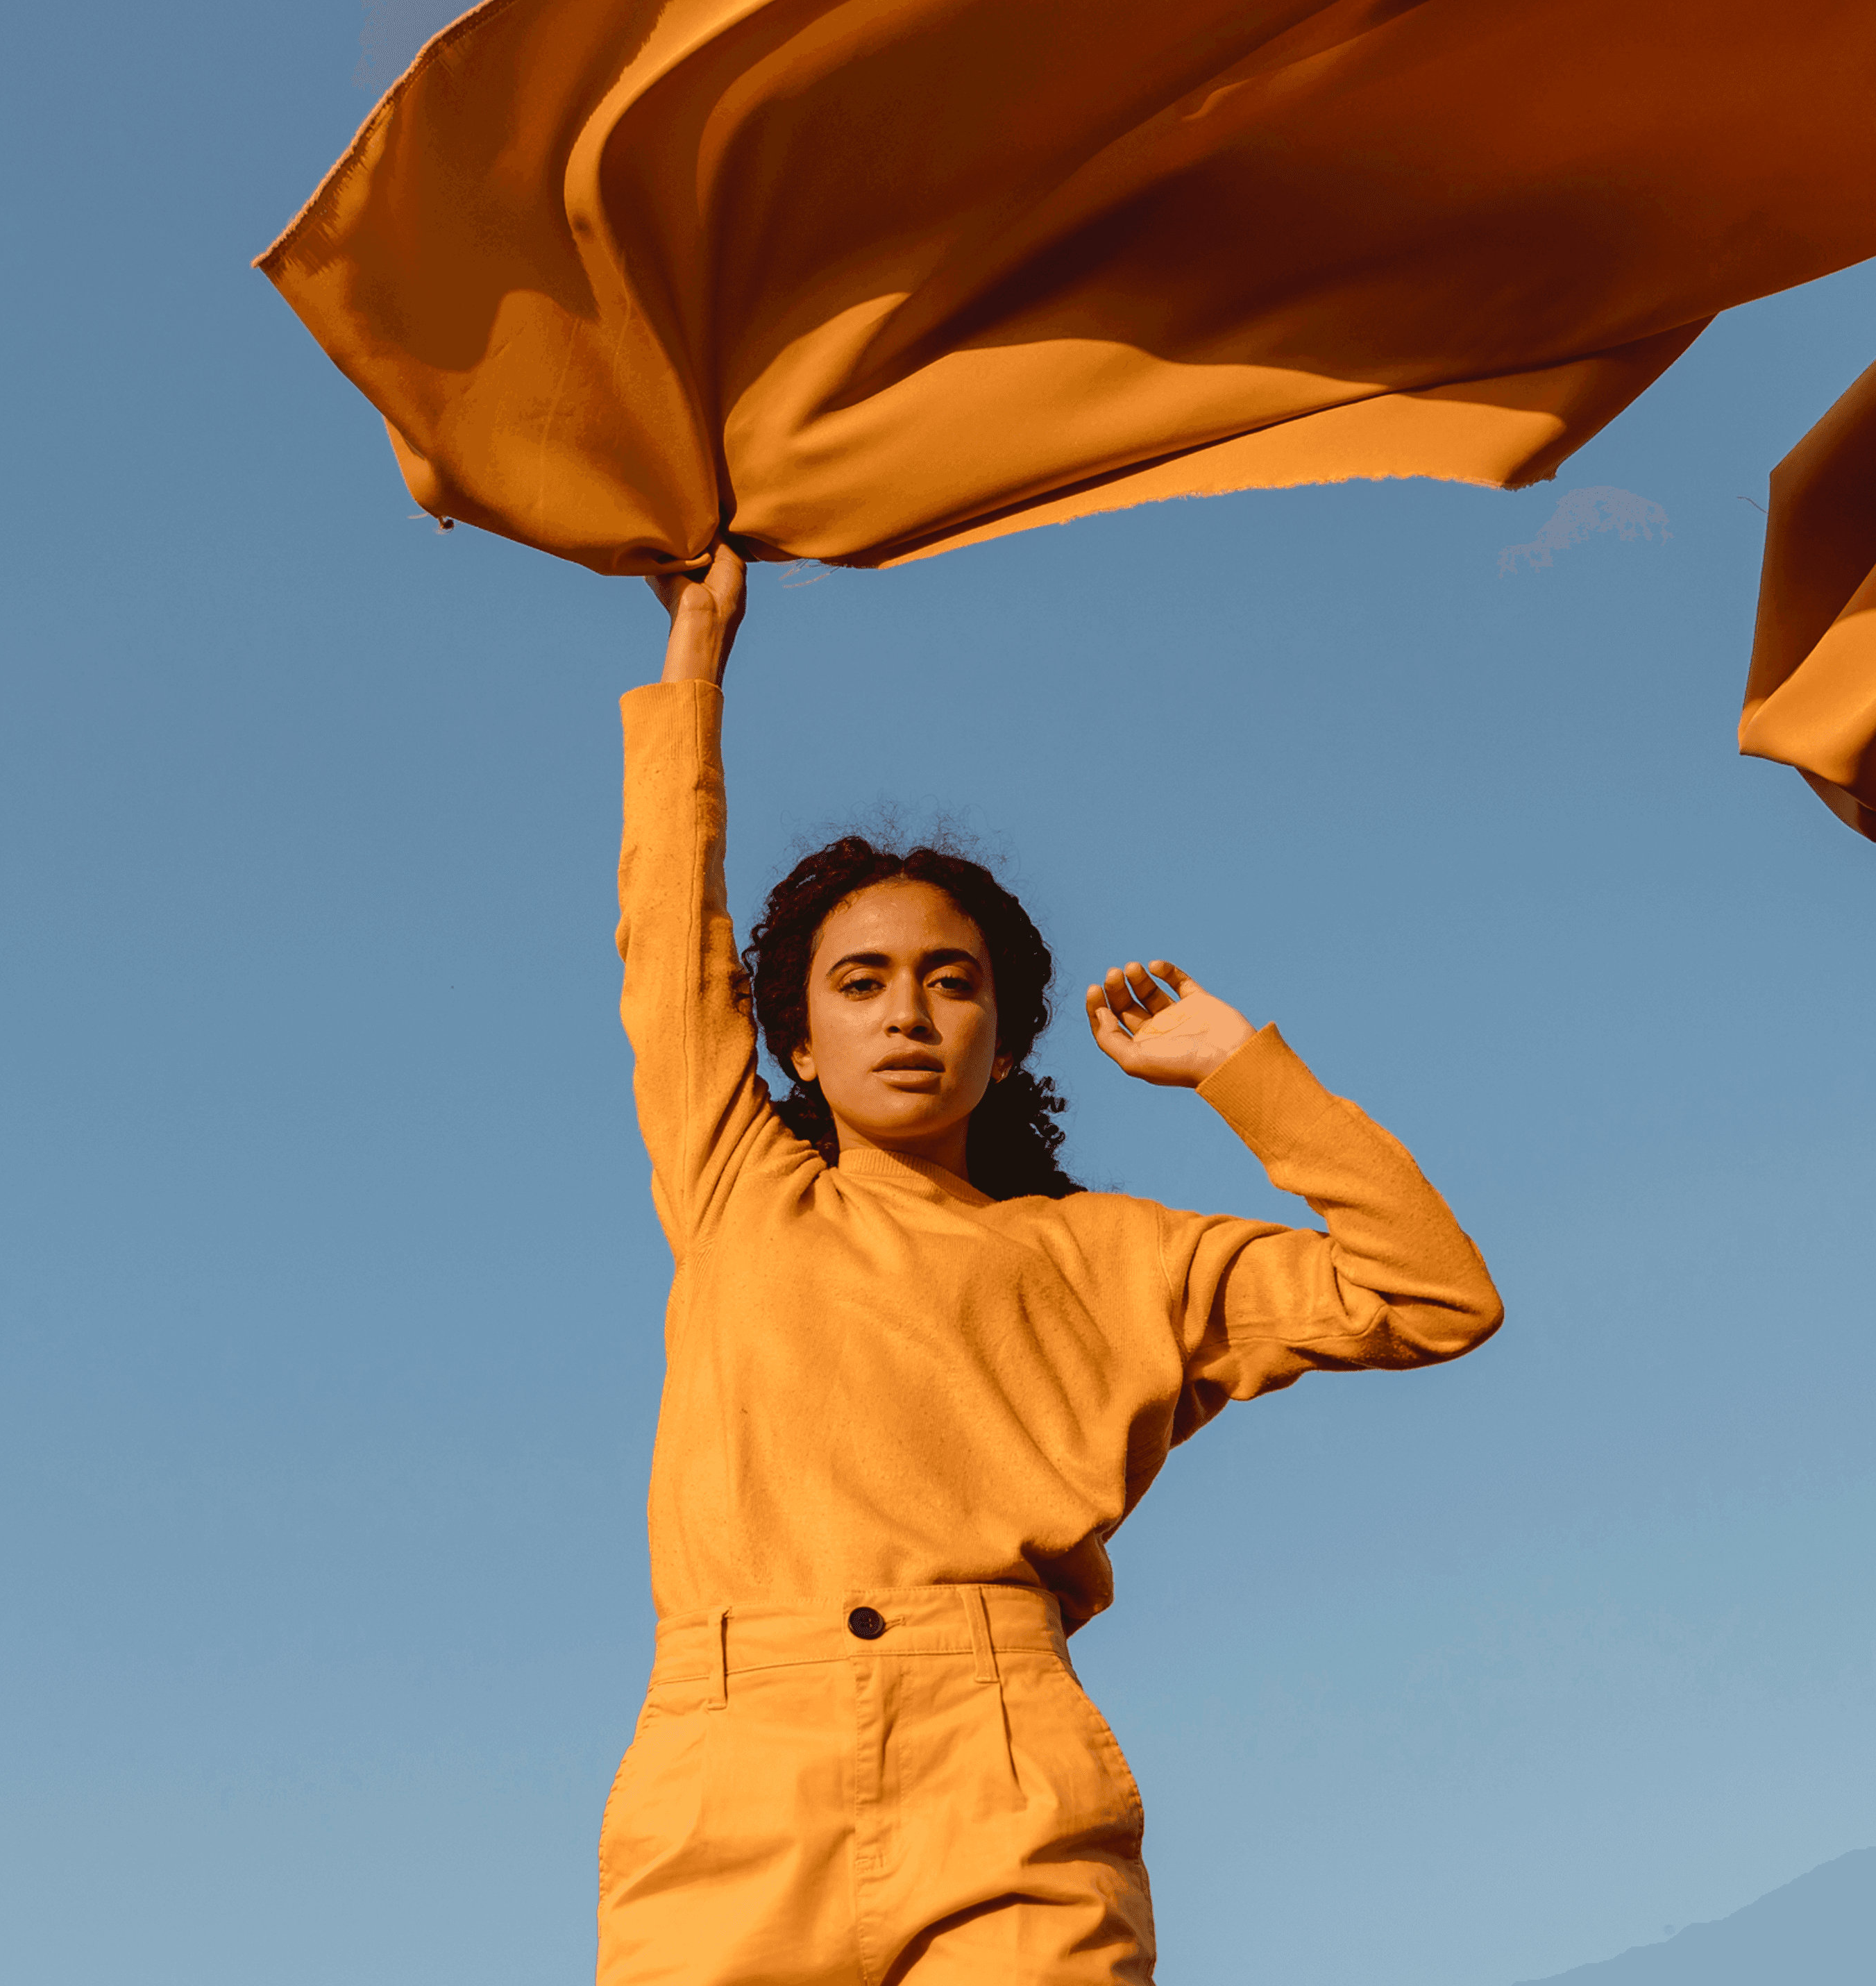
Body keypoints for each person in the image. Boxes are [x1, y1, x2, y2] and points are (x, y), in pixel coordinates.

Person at [602, 542, 1504, 1985]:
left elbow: (1434, 1296)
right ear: (793, 1040)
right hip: (729, 1774)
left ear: (1009, 1038)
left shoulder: (1121, 1258)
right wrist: (692, 674)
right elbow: (667, 943)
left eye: (952, 983)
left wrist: (1238, 1071)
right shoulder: (739, 1188)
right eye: (862, 983)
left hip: (1003, 1766)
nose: (909, 1015)